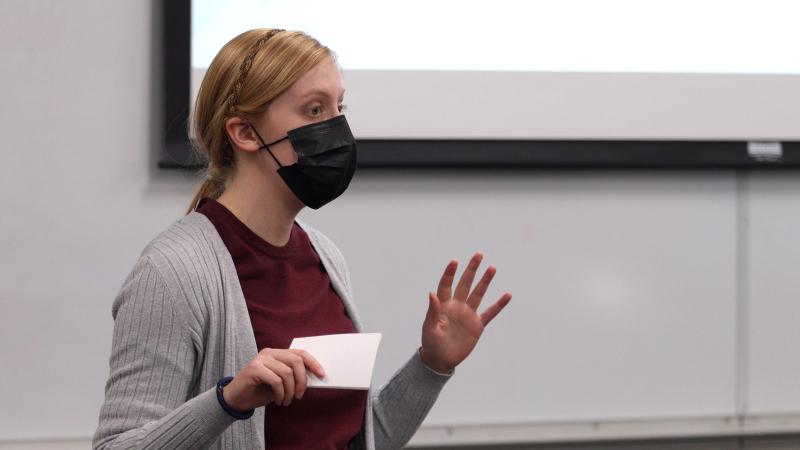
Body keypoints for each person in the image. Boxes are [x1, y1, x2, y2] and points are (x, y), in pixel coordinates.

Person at [93, 28, 512, 450]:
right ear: (245, 133)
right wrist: (228, 401)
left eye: (339, 106)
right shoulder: (173, 272)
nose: (337, 128)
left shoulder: (324, 256)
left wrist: (431, 364)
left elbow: (356, 439)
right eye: (314, 110)